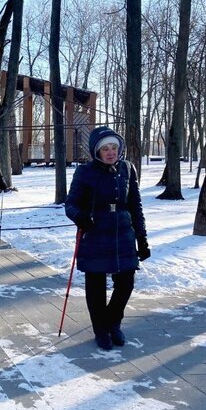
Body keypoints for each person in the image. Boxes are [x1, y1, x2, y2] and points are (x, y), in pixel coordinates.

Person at [64, 126, 150, 351]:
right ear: (96, 151)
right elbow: (70, 204)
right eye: (105, 148)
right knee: (96, 285)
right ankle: (100, 330)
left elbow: (135, 206)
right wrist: (81, 217)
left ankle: (113, 322)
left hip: (123, 232)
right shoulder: (85, 172)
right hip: (95, 232)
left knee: (126, 283)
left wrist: (142, 238)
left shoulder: (127, 169)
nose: (111, 152)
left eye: (114, 147)